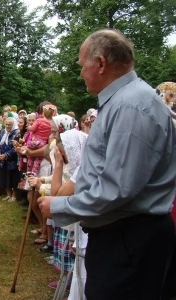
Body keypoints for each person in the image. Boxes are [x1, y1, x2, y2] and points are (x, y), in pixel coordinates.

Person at [38, 29, 176, 299]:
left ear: (100, 63)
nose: (80, 75)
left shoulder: (131, 107)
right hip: (123, 236)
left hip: (129, 239)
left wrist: (59, 205)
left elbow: (118, 188)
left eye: (82, 66)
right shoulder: (125, 101)